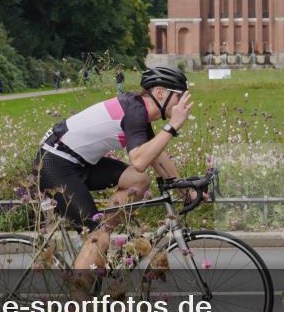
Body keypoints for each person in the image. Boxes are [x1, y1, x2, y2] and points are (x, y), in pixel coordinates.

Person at [33, 66, 195, 278]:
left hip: (78, 162)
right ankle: (76, 306)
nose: (182, 103)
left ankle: (103, 231)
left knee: (138, 181)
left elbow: (155, 156)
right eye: (179, 96)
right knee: (97, 237)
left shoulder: (139, 111)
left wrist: (184, 190)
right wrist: (173, 125)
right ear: (160, 93)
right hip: (54, 165)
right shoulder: (135, 111)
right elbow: (139, 160)